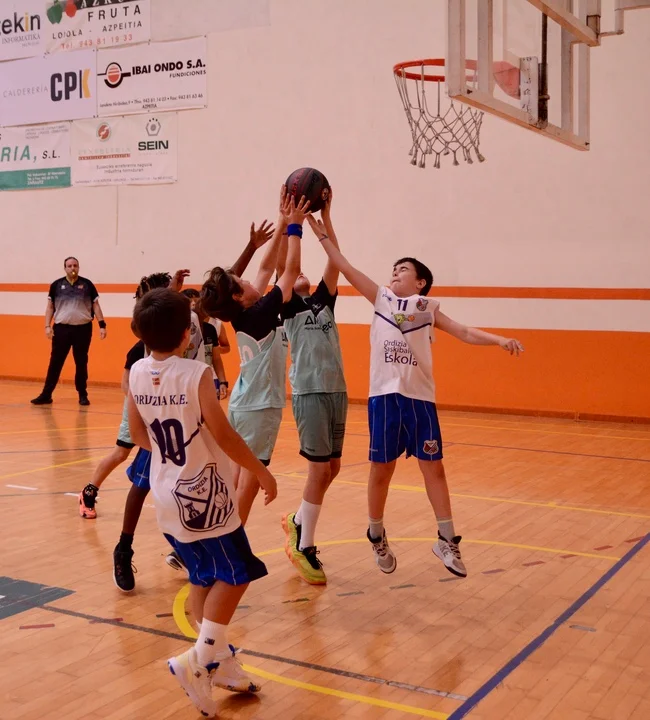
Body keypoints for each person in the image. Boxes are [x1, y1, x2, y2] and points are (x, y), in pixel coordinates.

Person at [311, 224, 524, 578]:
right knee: (382, 470)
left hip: (420, 398)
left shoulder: (427, 308)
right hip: (385, 397)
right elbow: (344, 265)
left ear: (420, 282)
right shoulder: (380, 297)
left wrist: (499, 340)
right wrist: (323, 230)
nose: (395, 273)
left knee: (434, 468)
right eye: (393, 269)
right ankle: (376, 534)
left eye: (403, 269)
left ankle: (447, 539)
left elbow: (464, 331)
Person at [127, 287, 276, 717]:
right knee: (237, 573)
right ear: (186, 335)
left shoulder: (136, 371)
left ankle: (222, 663)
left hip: (166, 490)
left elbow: (137, 434)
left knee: (202, 575)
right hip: (205, 493)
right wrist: (260, 471)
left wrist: (170, 452)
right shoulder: (196, 374)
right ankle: (198, 660)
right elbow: (225, 434)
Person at [200, 190, 308, 525]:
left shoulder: (246, 312)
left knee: (236, 478)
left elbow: (265, 266)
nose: (249, 279)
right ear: (237, 295)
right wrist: (295, 228)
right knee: (248, 482)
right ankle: (232, 541)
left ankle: (219, 533)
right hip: (259, 407)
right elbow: (289, 272)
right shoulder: (259, 313)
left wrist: (281, 220)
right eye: (242, 281)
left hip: (244, 404)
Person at [112, 270, 203, 590]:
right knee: (141, 486)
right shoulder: (145, 349)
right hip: (157, 425)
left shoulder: (194, 326)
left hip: (186, 421)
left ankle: (185, 549)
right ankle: (123, 549)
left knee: (182, 491)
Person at [279, 192, 347, 585]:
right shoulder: (288, 305)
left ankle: (298, 519)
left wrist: (326, 218)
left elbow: (336, 260)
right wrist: (293, 224)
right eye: (297, 272)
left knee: (332, 468)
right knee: (319, 469)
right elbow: (287, 266)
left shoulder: (323, 301)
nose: (302, 272)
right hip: (309, 391)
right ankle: (304, 544)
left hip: (337, 391)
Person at [78, 337, 144, 519]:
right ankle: (89, 491)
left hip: (160, 408)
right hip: (136, 406)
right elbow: (125, 384)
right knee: (120, 453)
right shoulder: (138, 349)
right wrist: (141, 404)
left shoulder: (168, 345)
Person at [31, 256, 106, 406]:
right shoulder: (56, 285)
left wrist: (102, 325)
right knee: (55, 362)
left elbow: (96, 305)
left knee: (81, 362)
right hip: (61, 329)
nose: (72, 268)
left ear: (78, 267)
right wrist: (47, 326)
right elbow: (50, 307)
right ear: (65, 268)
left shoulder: (87, 284)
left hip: (83, 329)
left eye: (75, 265)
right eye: (69, 266)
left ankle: (83, 394)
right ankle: (46, 394)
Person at [182, 288, 230, 400]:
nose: (193, 304)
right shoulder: (180, 329)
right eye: (190, 302)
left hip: (209, 377)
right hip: (185, 379)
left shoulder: (211, 328)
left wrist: (223, 381)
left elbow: (216, 359)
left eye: (196, 301)